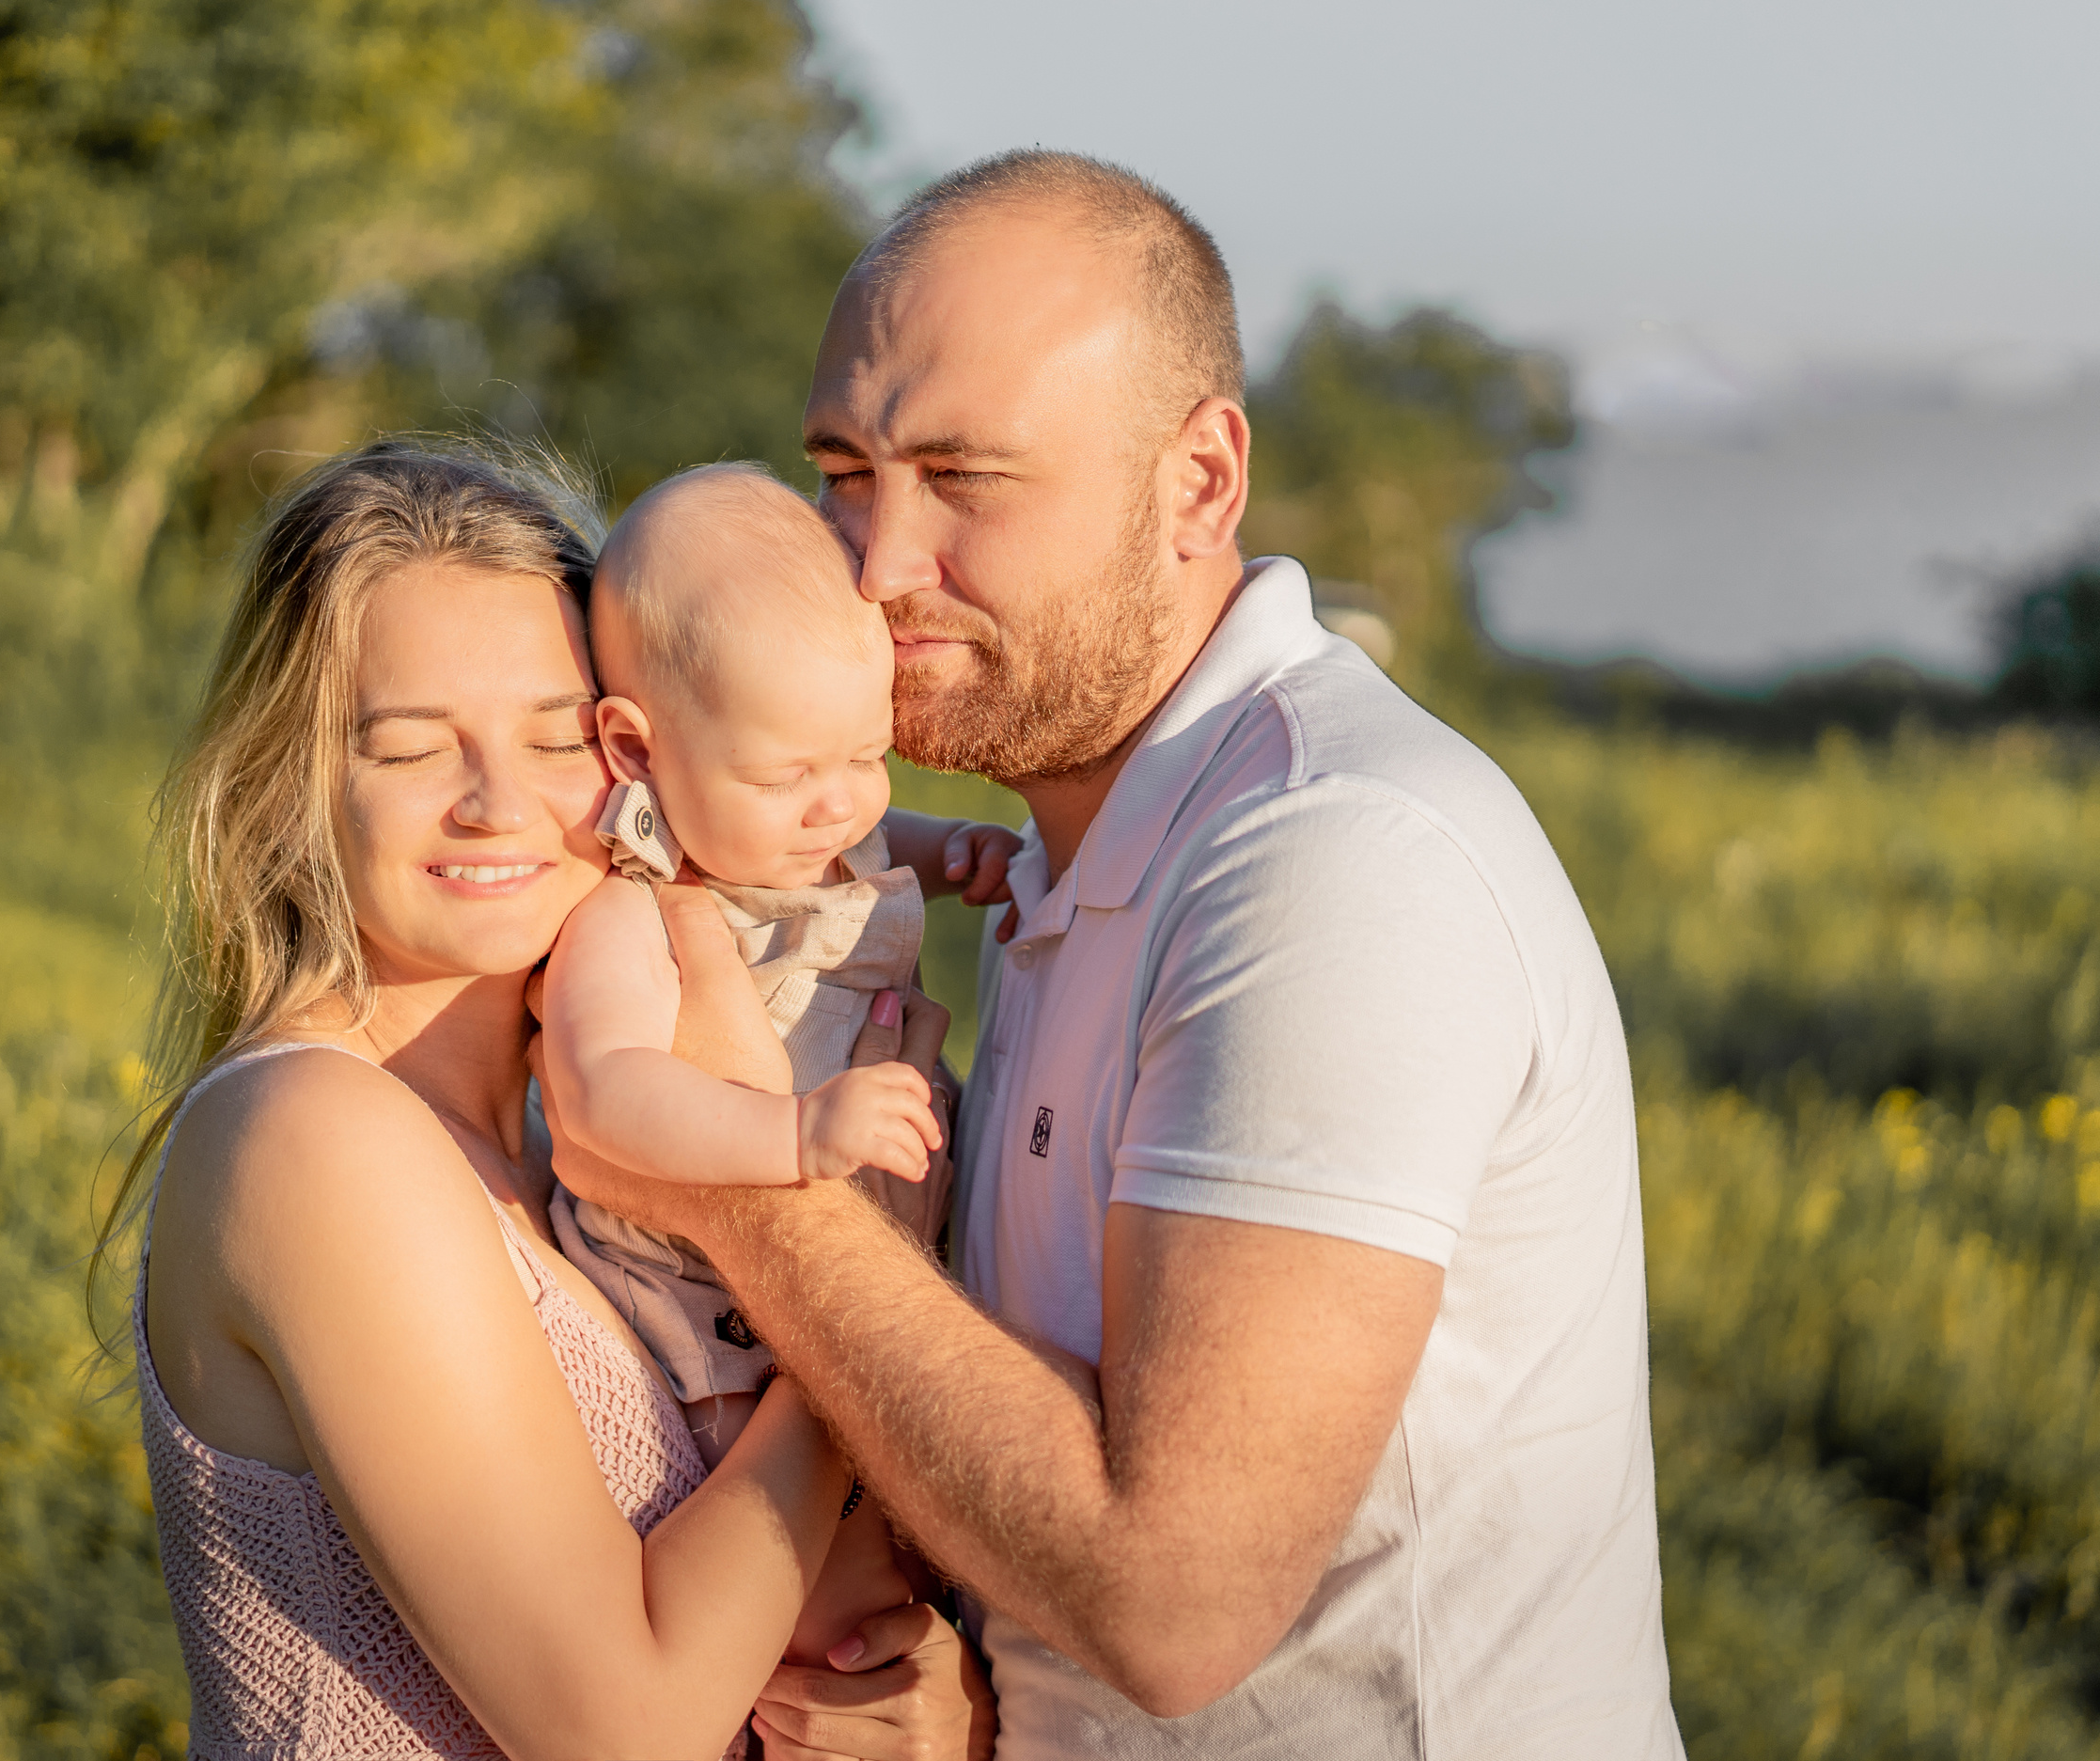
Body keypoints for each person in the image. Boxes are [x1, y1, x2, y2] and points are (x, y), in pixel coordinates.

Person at [541, 151, 1685, 1757]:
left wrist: (727, 1181)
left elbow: (1170, 1601)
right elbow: (1045, 1484)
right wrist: (971, 1703)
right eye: (847, 472)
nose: (873, 562)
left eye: (964, 476)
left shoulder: (1328, 856)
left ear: (1199, 483)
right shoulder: (1067, 847)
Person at [114, 441, 990, 1760]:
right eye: (411, 749)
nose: (498, 804)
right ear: (295, 788)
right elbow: (622, 1729)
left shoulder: (556, 1142)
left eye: (551, 736)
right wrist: (869, 1273)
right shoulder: (317, 1137)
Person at [540, 458, 1020, 1663]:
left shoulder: (815, 824)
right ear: (636, 747)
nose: (838, 808)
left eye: (867, 755)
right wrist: (794, 1140)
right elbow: (604, 1093)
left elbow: (851, 819)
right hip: (715, 1333)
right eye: (785, 775)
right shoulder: (637, 914)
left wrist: (946, 842)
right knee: (822, 1597)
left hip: (860, 1284)